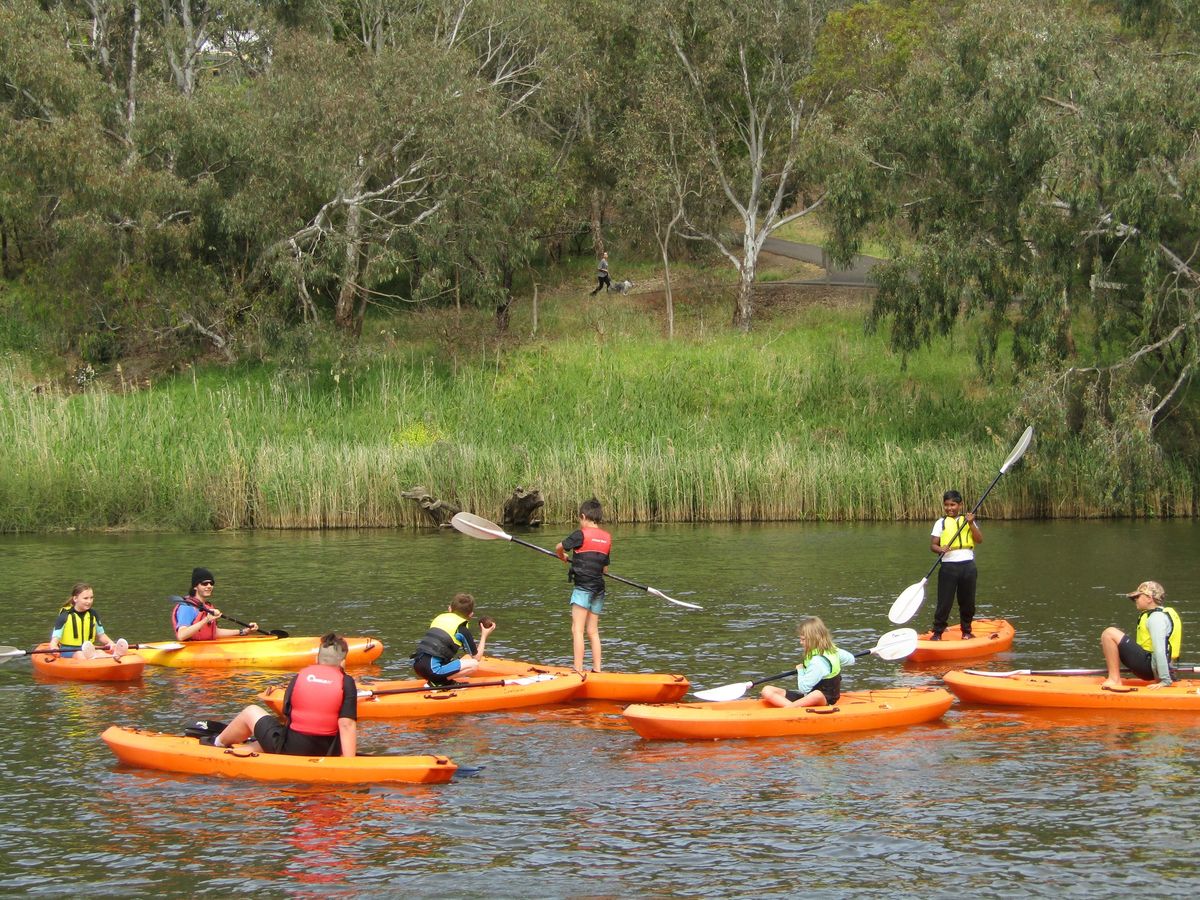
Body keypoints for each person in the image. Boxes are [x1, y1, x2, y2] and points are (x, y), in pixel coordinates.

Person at [211, 633, 357, 756]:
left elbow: (287, 714)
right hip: (329, 750)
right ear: (343, 662)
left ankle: (217, 744)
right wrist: (349, 763)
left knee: (251, 711)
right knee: (267, 739)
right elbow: (346, 724)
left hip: (292, 748)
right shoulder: (347, 682)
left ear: (316, 659)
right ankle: (245, 749)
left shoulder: (300, 677)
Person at [555, 498, 612, 673]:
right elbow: (605, 568)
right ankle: (597, 669)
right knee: (593, 631)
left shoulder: (580, 534)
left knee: (577, 629)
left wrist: (562, 556)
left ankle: (578, 669)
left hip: (583, 589)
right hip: (599, 589)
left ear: (583, 516)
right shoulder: (607, 538)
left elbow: (559, 547)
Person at [1100, 581, 1181, 690]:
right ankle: (1165, 675)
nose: (1135, 600)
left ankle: (1114, 679)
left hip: (1150, 668)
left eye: (1137, 597)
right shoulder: (1163, 613)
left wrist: (1165, 680)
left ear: (1149, 598)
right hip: (1161, 666)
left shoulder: (1156, 618)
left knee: (1109, 633)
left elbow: (1160, 650)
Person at [762, 616, 856, 708]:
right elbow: (851, 659)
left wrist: (801, 670)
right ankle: (793, 707)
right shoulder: (834, 650)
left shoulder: (818, 662)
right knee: (766, 690)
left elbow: (803, 688)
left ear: (814, 639)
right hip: (808, 696)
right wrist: (833, 663)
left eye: (803, 639)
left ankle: (789, 709)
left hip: (825, 699)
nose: (800, 642)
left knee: (816, 694)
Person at [928, 489, 983, 640]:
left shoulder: (968, 521)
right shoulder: (941, 522)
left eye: (953, 504)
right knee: (944, 602)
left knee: (967, 601)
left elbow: (979, 539)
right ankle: (938, 632)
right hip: (948, 567)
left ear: (960, 505)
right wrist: (941, 548)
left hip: (967, 566)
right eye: (946, 505)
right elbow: (933, 545)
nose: (949, 508)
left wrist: (971, 524)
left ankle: (966, 631)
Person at [411, 593, 496, 686]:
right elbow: (477, 657)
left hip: (417, 666)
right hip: (432, 670)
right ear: (471, 614)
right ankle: (438, 682)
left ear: (449, 608)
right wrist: (484, 635)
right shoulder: (462, 629)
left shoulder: (439, 619)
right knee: (474, 664)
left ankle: (440, 680)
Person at [172, 567, 258, 641]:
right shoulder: (187, 607)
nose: (209, 586)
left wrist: (243, 631)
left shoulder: (206, 606)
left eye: (211, 583)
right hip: (190, 651)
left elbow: (214, 632)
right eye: (204, 583)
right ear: (195, 587)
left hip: (203, 649)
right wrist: (206, 620)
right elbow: (181, 635)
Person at [48, 583, 119, 657]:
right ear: (75, 599)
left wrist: (111, 643)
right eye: (85, 598)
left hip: (88, 649)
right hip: (68, 650)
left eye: (91, 598)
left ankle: (114, 657)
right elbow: (54, 640)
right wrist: (54, 648)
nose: (89, 601)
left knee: (100, 652)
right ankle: (94, 662)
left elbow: (101, 635)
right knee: (80, 654)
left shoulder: (93, 614)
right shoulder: (64, 616)